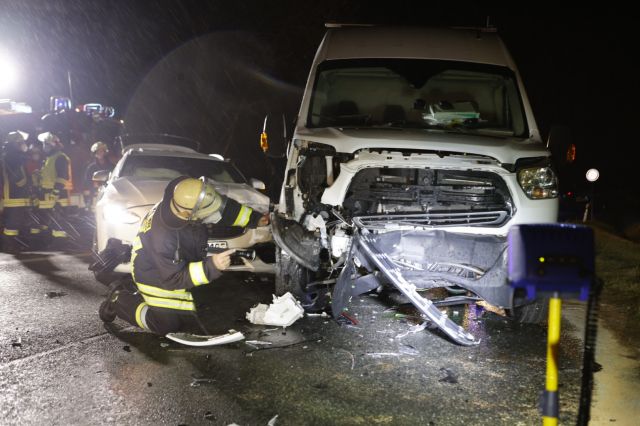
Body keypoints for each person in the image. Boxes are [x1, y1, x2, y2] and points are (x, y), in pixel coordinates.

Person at [98, 176, 269, 336]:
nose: (211, 213)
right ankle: (119, 299)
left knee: (200, 308)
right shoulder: (163, 237)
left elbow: (223, 209)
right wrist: (212, 266)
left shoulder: (187, 197)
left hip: (174, 264)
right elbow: (174, 278)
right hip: (154, 275)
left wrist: (255, 219)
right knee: (167, 325)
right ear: (189, 214)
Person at [35, 132, 73, 245]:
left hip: (58, 196)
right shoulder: (49, 158)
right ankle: (50, 242)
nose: (44, 147)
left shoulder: (60, 157)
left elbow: (62, 177)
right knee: (49, 220)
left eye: (46, 144)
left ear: (52, 145)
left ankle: (60, 243)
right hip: (48, 195)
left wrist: (56, 191)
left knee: (59, 221)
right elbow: (50, 175)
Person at [1, 132, 31, 253]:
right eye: (20, 143)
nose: (23, 145)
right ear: (14, 144)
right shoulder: (13, 157)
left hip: (14, 194)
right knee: (12, 223)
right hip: (15, 195)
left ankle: (12, 245)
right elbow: (20, 177)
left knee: (14, 221)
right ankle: (10, 245)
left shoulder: (9, 155)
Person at [83, 141, 114, 210]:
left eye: (101, 151)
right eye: (97, 152)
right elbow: (87, 182)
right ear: (94, 154)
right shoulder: (91, 168)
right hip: (96, 197)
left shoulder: (112, 166)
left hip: (110, 196)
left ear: (105, 152)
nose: (100, 153)